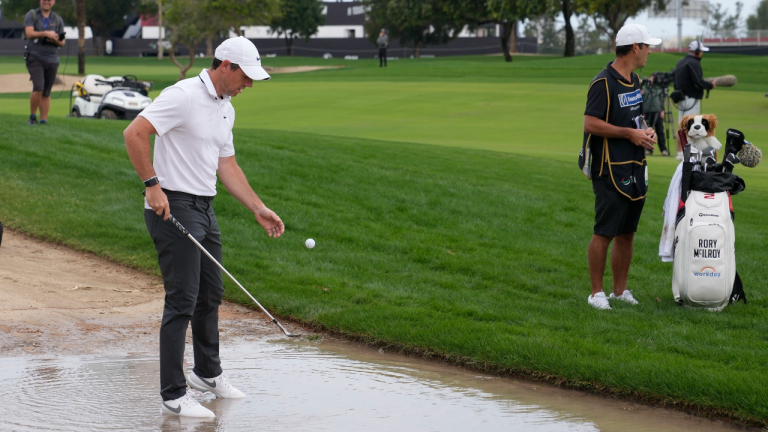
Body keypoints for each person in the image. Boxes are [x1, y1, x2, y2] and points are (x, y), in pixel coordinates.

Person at [123, 36, 285, 419]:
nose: (248, 85)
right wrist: (152, 185)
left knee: (211, 293)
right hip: (172, 204)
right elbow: (134, 133)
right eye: (245, 77)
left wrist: (258, 207)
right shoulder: (182, 95)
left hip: (204, 207)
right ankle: (173, 393)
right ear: (225, 65)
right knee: (182, 299)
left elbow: (225, 165)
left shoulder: (226, 107)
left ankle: (206, 373)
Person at [580, 24, 660, 310]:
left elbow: (635, 118)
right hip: (608, 168)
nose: (651, 51)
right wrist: (628, 134)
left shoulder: (634, 79)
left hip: (635, 164)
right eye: (648, 46)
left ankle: (619, 291)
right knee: (605, 231)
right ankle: (596, 294)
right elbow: (591, 123)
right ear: (635, 47)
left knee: (627, 232)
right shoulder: (603, 82)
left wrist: (646, 130)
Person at [23, 0, 65, 126]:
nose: (46, 2)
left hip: (52, 58)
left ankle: (43, 120)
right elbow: (29, 33)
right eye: (44, 0)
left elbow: (62, 43)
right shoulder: (32, 15)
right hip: (35, 56)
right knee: (39, 86)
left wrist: (55, 39)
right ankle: (32, 117)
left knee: (46, 91)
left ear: (53, 1)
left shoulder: (57, 19)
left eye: (49, 0)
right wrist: (46, 33)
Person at [673, 40, 716, 160]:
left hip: (681, 98)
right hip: (691, 99)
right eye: (701, 51)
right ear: (697, 51)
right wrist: (710, 86)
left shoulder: (681, 62)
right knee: (692, 127)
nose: (702, 53)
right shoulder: (694, 63)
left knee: (681, 127)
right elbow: (698, 81)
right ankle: (689, 153)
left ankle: (680, 152)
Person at [641, 75, 669, 156]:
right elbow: (641, 100)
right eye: (651, 78)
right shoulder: (645, 89)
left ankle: (663, 149)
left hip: (657, 111)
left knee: (660, 131)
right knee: (648, 131)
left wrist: (662, 110)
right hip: (647, 112)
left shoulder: (659, 89)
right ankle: (648, 149)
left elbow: (662, 100)